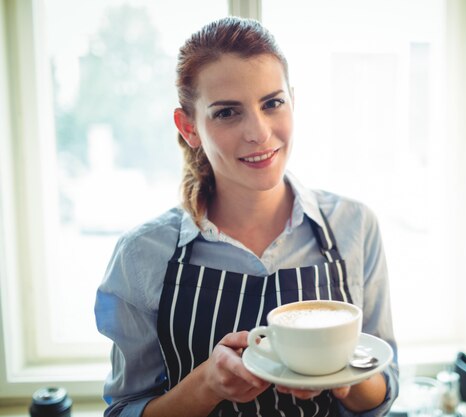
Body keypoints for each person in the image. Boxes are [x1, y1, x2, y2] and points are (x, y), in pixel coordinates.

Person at [95, 16, 398, 417]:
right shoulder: (142, 254)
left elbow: (384, 388)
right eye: (226, 113)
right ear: (189, 128)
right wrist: (206, 385)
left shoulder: (355, 226)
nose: (258, 132)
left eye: (272, 103)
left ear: (293, 99)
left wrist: (341, 374)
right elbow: (124, 411)